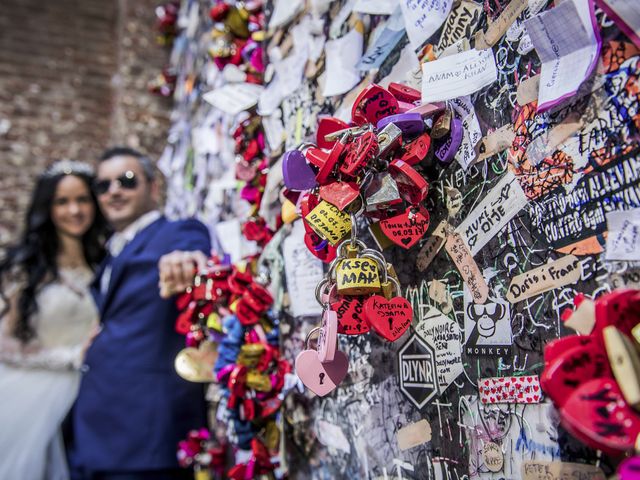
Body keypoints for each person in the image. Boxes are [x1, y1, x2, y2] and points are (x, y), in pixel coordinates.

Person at [71, 147, 211, 480]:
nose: (114, 190)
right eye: (103, 186)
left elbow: (192, 251)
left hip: (147, 436)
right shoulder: (110, 251)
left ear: (153, 187)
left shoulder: (176, 232)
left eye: (127, 180)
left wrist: (182, 260)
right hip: (94, 430)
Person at [0, 160, 109, 480]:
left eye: (82, 200)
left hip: (93, 393)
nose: (74, 210)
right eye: (62, 202)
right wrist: (71, 357)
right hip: (32, 393)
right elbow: (4, 344)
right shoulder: (25, 267)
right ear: (48, 208)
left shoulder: (105, 262)